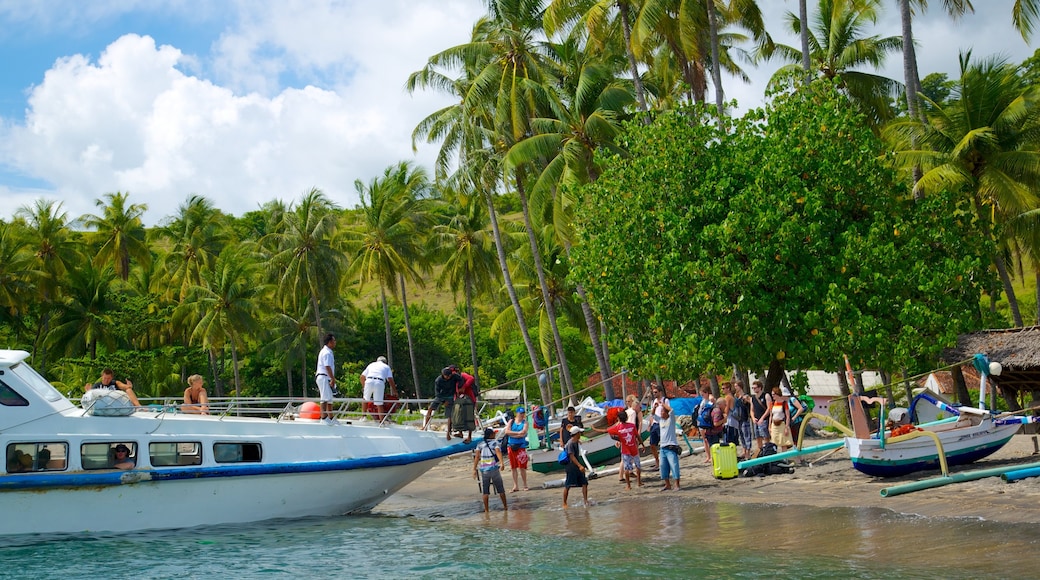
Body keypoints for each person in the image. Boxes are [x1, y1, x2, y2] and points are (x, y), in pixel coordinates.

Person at [593, 408, 642, 489]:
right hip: (634, 449)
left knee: (627, 468)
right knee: (638, 466)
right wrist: (642, 444)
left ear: (618, 419)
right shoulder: (632, 426)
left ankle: (628, 485)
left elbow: (605, 431)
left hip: (626, 450)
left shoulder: (618, 428)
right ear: (626, 418)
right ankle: (639, 482)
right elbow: (637, 436)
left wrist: (594, 429)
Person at [472, 428, 507, 512]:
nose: (494, 435)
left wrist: (474, 469)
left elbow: (477, 457)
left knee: (485, 491)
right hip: (494, 468)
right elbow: (498, 452)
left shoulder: (480, 444)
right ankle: (505, 507)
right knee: (500, 489)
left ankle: (487, 510)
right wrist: (502, 463)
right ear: (491, 435)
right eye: (493, 434)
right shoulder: (495, 443)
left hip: (484, 470)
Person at [424, 366, 461, 436]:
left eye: (449, 376)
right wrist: (443, 401)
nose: (448, 377)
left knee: (450, 414)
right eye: (447, 376)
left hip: (450, 396)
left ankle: (449, 431)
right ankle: (425, 426)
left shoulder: (454, 377)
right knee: (430, 409)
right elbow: (437, 393)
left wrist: (459, 388)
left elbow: (461, 379)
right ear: (443, 375)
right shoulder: (438, 380)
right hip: (440, 396)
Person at [360, 355, 397, 422]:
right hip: (379, 382)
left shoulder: (371, 365)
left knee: (365, 399)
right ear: (385, 362)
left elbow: (362, 377)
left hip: (369, 380)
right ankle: (381, 421)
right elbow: (390, 379)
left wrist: (364, 387)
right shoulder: (386, 367)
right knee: (379, 403)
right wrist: (395, 391)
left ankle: (363, 417)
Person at [562, 425, 589, 508]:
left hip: (576, 466)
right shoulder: (570, 444)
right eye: (579, 433)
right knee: (568, 485)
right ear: (577, 434)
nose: (580, 434)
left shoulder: (575, 441)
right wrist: (580, 466)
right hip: (571, 467)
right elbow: (572, 456)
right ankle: (564, 503)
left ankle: (585, 501)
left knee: (584, 483)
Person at [657, 397, 681, 491]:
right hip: (662, 447)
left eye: (662, 411)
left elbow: (672, 410)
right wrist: (655, 407)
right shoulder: (661, 421)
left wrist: (663, 404)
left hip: (671, 446)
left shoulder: (670, 420)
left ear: (666, 413)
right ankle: (667, 484)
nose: (661, 413)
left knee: (674, 465)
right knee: (663, 466)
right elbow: (652, 415)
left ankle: (677, 484)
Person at [504, 406, 529, 492]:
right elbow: (507, 432)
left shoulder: (525, 422)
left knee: (522, 467)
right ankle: (515, 485)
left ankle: (525, 484)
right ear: (517, 413)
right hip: (511, 446)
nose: (522, 415)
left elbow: (524, 432)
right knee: (513, 467)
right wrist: (517, 433)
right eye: (520, 413)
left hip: (521, 446)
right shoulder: (511, 421)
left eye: (523, 413)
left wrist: (514, 434)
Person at [314, 334, 338, 424]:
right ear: (330, 342)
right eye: (334, 341)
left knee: (329, 397)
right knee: (324, 397)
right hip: (324, 376)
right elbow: (327, 366)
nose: (335, 342)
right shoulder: (327, 352)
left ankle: (331, 417)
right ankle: (324, 418)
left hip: (325, 377)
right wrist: (332, 378)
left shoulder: (328, 352)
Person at [451, 367, 476, 443]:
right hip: (459, 401)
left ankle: (469, 437)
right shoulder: (452, 380)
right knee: (459, 417)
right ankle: (460, 433)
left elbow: (471, 378)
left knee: (469, 417)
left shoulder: (463, 375)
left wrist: (464, 387)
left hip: (469, 400)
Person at [732, 382, 754, 460]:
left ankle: (748, 452)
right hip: (739, 419)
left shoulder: (745, 396)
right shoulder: (736, 396)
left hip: (745, 418)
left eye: (736, 386)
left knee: (747, 435)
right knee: (741, 436)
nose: (735, 388)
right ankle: (744, 451)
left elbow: (752, 403)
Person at [749, 380, 772, 456]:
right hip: (756, 419)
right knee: (758, 436)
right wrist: (753, 418)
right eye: (753, 388)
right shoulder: (753, 398)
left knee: (766, 436)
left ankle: (768, 450)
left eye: (755, 388)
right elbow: (751, 410)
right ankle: (760, 450)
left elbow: (769, 408)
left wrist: (763, 418)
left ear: (760, 388)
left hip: (764, 419)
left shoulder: (766, 395)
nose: (754, 389)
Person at [769, 386, 795, 451]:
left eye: (773, 394)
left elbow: (787, 416)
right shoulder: (772, 403)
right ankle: (775, 459)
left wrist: (786, 427)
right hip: (774, 425)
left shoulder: (784, 403)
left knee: (784, 442)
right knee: (774, 442)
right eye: (772, 394)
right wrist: (769, 426)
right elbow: (771, 416)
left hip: (782, 424)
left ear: (777, 394)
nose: (772, 396)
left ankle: (784, 459)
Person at [648, 384, 666, 472]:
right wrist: (649, 424)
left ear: (660, 392)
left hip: (662, 424)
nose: (654, 394)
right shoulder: (653, 401)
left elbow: (668, 411)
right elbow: (652, 414)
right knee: (652, 444)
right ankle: (657, 461)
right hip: (654, 424)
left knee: (663, 444)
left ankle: (663, 462)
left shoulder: (665, 400)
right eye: (653, 392)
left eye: (656, 392)